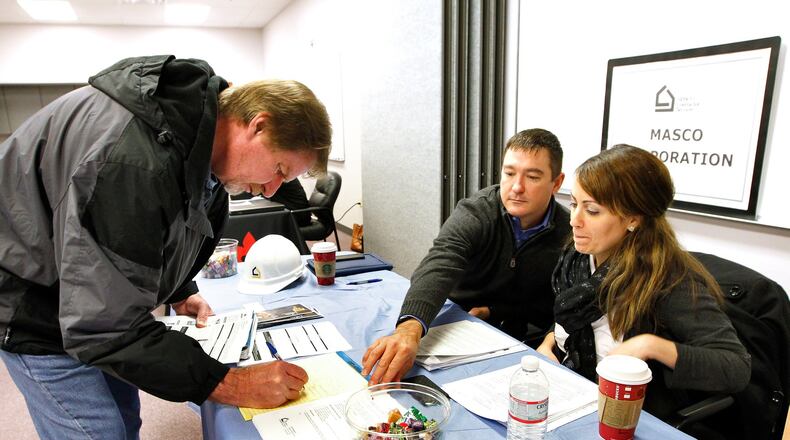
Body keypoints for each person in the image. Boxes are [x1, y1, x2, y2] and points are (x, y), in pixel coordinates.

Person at [0, 55, 331, 439]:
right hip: (34, 305)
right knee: (97, 432)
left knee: (124, 420)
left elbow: (154, 229)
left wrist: (178, 291)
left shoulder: (190, 140)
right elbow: (105, 328)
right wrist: (231, 384)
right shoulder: (133, 161)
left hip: (87, 296)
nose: (274, 189)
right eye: (279, 170)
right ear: (258, 126)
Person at [536, 144, 750, 420]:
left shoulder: (667, 279)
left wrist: (650, 345)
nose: (574, 221)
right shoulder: (576, 259)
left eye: (592, 210)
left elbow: (736, 368)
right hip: (570, 392)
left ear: (633, 220)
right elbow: (569, 325)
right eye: (574, 204)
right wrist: (547, 344)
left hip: (623, 416)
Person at [362, 128, 571, 384]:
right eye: (509, 173)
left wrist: (495, 311)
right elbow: (440, 262)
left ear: (557, 183)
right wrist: (408, 328)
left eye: (533, 177)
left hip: (520, 339)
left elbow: (560, 304)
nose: (517, 187)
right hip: (458, 324)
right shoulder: (477, 211)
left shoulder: (570, 232)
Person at [231, 179, 312, 227]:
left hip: (298, 214)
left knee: (255, 223)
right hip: (290, 212)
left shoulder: (277, 177)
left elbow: (243, 194)